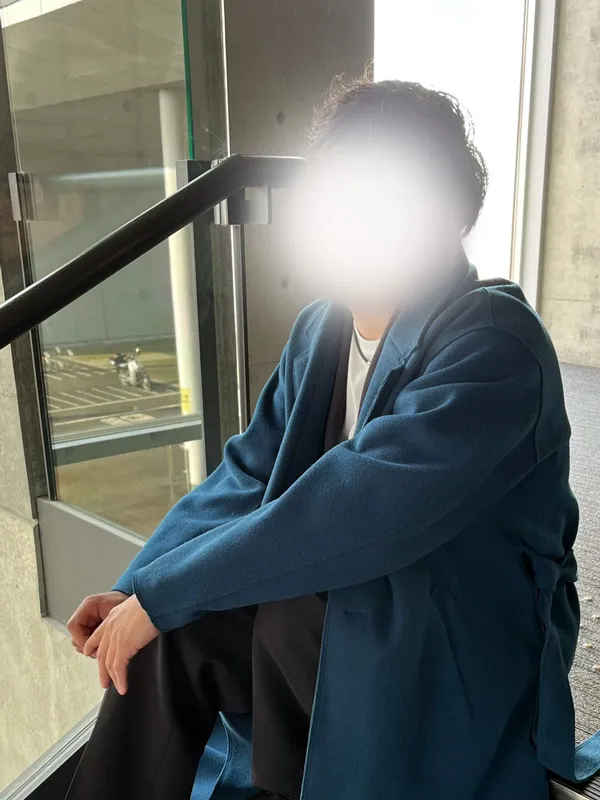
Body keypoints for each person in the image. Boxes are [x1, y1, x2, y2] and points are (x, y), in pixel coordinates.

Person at [65, 77, 593, 800]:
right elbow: (246, 474)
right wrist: (139, 588)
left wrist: (165, 593)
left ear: (445, 215)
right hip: (354, 608)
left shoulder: (498, 347)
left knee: (293, 610)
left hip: (462, 632)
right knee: (167, 638)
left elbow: (354, 516)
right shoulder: (321, 329)